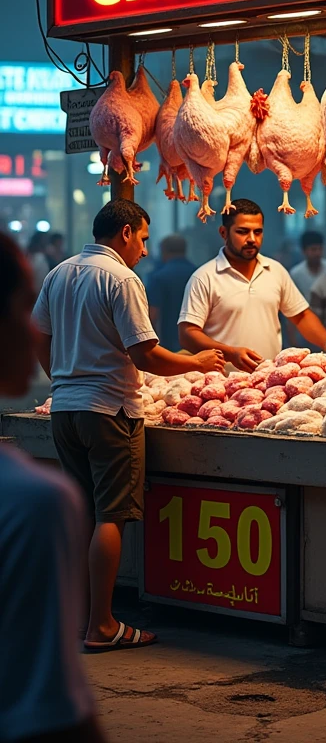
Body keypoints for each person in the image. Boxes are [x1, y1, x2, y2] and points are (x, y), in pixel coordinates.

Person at [32, 200, 224, 652]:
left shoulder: (59, 273)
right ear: (124, 233)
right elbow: (145, 354)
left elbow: (38, 334)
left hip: (66, 409)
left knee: (81, 512)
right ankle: (102, 625)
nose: (143, 247)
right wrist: (195, 362)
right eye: (141, 237)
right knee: (110, 516)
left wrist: (62, 377)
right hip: (109, 410)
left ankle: (75, 618)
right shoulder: (121, 278)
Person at [0, 232, 107, 742]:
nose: (36, 331)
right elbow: (49, 709)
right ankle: (103, 621)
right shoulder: (30, 502)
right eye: (23, 309)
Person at [178, 199, 326, 368]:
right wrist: (230, 353)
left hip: (269, 384)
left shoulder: (275, 270)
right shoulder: (204, 277)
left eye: (258, 232)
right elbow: (188, 334)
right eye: (242, 231)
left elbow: (301, 316)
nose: (252, 239)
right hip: (221, 385)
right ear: (223, 233)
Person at [147, 234, 196, 350]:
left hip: (168, 346)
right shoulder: (199, 274)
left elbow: (152, 314)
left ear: (163, 251)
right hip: (196, 344)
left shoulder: (158, 277)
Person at [289, 230, 326, 301]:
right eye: (313, 249)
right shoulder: (296, 273)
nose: (318, 253)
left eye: (320, 249)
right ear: (304, 251)